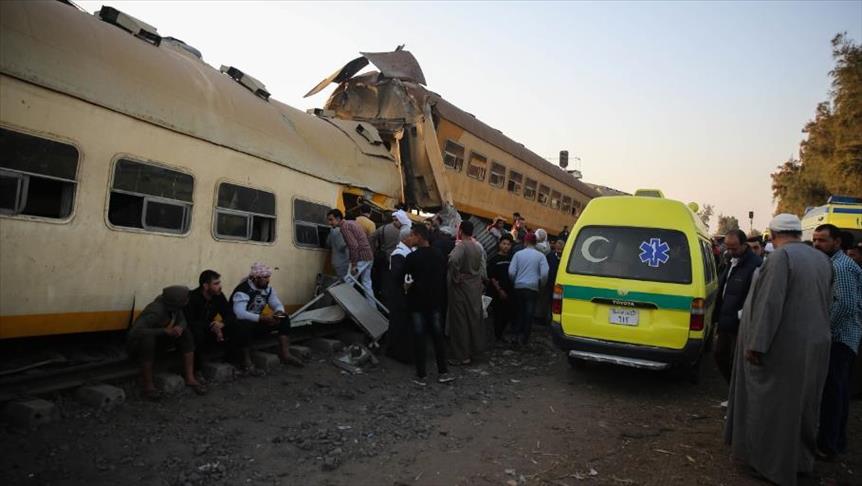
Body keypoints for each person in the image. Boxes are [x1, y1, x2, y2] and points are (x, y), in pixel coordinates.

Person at [725, 214, 832, 485]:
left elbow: (770, 304)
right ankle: (801, 462)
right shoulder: (821, 259)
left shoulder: (781, 258)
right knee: (803, 408)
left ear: (773, 235)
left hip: (783, 349)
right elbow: (828, 301)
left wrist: (756, 345)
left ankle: (770, 467)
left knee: (773, 409)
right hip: (815, 346)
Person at [812, 224, 862, 459]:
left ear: (837, 242)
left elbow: (845, 305)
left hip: (841, 339)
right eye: (815, 239)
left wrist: (825, 329)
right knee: (837, 391)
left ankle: (828, 444)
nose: (817, 244)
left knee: (834, 393)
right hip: (840, 337)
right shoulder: (834, 263)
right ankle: (833, 442)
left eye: (822, 240)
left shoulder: (841, 267)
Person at [127, 286, 206, 399]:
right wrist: (164, 331)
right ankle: (148, 385)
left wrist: (179, 327)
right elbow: (135, 332)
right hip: (139, 346)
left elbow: (182, 320)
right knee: (148, 340)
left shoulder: (174, 306)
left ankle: (190, 378)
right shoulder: (155, 311)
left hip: (159, 341)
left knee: (186, 333)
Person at [230, 263, 304, 374]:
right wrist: (262, 318)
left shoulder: (268, 289)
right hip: (238, 328)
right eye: (265, 277)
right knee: (244, 324)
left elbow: (277, 304)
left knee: (284, 317)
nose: (268, 280)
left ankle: (285, 354)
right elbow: (239, 313)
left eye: (268, 277)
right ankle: (247, 362)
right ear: (256, 278)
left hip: (257, 324)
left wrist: (278, 312)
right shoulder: (243, 290)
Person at [404, 224, 454, 385]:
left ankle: (421, 375)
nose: (409, 238)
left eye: (412, 235)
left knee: (419, 338)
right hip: (435, 303)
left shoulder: (411, 257)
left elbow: (405, 279)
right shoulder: (439, 254)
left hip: (417, 303)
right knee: (437, 337)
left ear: (419, 236)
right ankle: (443, 372)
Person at [712, 229, 762, 386]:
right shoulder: (730, 260)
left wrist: (741, 315)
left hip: (741, 323)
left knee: (737, 362)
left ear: (744, 244)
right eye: (728, 247)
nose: (730, 251)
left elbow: (756, 297)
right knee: (720, 355)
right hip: (725, 320)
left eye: (734, 248)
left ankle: (738, 392)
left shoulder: (755, 265)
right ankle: (733, 388)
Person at [447, 221, 487, 365]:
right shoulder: (477, 246)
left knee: (460, 321)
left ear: (461, 231)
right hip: (474, 286)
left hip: (462, 288)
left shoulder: (462, 246)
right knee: (474, 319)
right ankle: (474, 351)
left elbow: (453, 260)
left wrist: (456, 276)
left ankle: (461, 355)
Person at [184, 270, 236, 372]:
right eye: (216, 284)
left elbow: (230, 314)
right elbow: (190, 321)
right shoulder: (192, 297)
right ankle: (197, 370)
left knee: (236, 325)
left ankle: (230, 361)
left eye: (219, 283)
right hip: (195, 331)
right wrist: (212, 326)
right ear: (205, 286)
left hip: (211, 329)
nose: (220, 286)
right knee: (196, 332)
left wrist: (221, 324)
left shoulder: (218, 295)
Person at [508, 232, 549, 346]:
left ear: (525, 242)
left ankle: (515, 335)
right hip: (532, 288)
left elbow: (511, 272)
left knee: (518, 311)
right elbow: (545, 274)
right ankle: (524, 338)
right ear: (536, 243)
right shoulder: (541, 256)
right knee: (529, 313)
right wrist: (541, 284)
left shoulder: (518, 254)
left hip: (519, 287)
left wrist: (515, 281)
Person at [327, 209, 375, 305]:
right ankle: (373, 307)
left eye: (331, 220)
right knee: (367, 284)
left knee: (348, 282)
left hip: (361, 257)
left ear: (338, 218)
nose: (329, 223)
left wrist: (353, 264)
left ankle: (341, 306)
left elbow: (353, 246)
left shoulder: (344, 227)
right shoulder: (352, 223)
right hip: (368, 256)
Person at [384, 226, 414, 363]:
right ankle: (394, 351)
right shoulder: (398, 253)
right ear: (406, 238)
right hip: (399, 294)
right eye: (412, 236)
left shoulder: (408, 251)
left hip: (404, 293)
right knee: (398, 322)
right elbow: (399, 275)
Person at [487, 234, 515, 341]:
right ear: (499, 244)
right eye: (504, 244)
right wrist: (499, 290)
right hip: (497, 291)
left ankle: (501, 333)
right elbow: (492, 276)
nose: (506, 246)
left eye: (508, 244)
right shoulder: (494, 259)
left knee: (507, 313)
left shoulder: (512, 259)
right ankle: (497, 335)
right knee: (498, 313)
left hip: (509, 290)